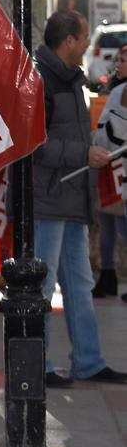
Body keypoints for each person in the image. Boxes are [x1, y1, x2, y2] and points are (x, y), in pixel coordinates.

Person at [32, 9, 127, 387]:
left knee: (80, 283)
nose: (89, 43)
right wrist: (84, 154)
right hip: (49, 198)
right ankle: (37, 364)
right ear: (69, 40)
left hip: (71, 197)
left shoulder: (71, 79)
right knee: (41, 285)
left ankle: (88, 360)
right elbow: (35, 145)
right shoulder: (41, 79)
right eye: (85, 37)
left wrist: (90, 152)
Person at [92, 46, 127, 297]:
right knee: (108, 221)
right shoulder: (116, 91)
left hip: (119, 166)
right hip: (112, 164)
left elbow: (109, 131)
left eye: (124, 61)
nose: (119, 64)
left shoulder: (119, 92)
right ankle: (107, 274)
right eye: (119, 60)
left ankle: (108, 274)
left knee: (121, 222)